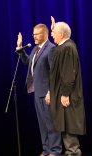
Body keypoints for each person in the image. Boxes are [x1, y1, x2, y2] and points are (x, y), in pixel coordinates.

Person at [17, 24, 62, 156]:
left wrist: (51, 92)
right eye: (33, 34)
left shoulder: (51, 49)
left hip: (48, 93)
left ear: (45, 34)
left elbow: (55, 73)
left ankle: (55, 150)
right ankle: (47, 149)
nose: (34, 37)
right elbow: (26, 61)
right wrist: (20, 48)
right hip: (37, 92)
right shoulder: (36, 49)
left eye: (37, 34)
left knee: (51, 123)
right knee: (42, 123)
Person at [49, 17, 86, 155]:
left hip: (67, 94)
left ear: (62, 34)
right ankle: (71, 152)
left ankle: (73, 153)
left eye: (54, 32)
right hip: (62, 93)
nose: (52, 34)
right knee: (65, 124)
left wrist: (65, 94)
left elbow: (69, 74)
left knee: (69, 124)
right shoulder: (63, 47)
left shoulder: (68, 48)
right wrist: (53, 27)